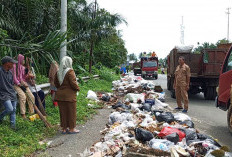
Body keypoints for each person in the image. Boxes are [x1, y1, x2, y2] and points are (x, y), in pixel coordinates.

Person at [54, 56, 80, 134]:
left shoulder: (58, 72)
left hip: (60, 96)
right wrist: (77, 88)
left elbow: (56, 83)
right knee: (71, 112)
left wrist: (61, 89)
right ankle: (72, 129)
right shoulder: (70, 71)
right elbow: (73, 83)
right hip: (69, 96)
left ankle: (64, 129)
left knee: (63, 112)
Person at [12, 54, 35, 119]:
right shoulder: (14, 66)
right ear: (20, 59)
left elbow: (23, 77)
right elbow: (14, 78)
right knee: (23, 97)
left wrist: (29, 76)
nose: (23, 60)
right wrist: (20, 85)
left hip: (22, 83)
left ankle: (31, 112)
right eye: (23, 59)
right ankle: (23, 114)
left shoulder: (22, 67)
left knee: (32, 97)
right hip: (15, 84)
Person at [0, 56, 18, 129]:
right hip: (3, 94)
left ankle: (13, 126)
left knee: (13, 110)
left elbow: (11, 84)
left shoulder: (10, 73)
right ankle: (0, 117)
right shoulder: (0, 71)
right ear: (7, 63)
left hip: (12, 93)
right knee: (10, 109)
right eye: (12, 63)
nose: (13, 65)